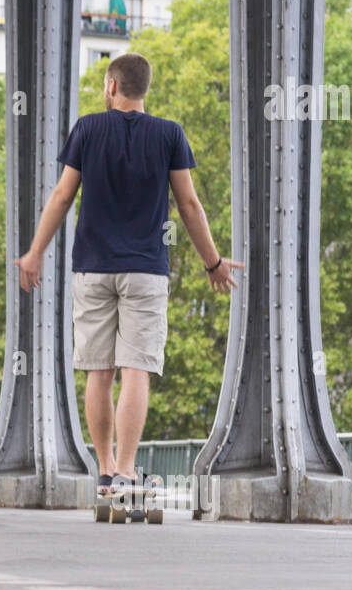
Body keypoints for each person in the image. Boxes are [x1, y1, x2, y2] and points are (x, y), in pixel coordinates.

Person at [13, 53, 241, 498]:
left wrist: (35, 253)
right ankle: (127, 470)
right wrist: (213, 262)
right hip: (146, 271)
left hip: (93, 269)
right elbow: (189, 206)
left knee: (99, 371)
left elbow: (62, 196)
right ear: (144, 90)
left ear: (112, 86)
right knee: (136, 369)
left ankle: (104, 470)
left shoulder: (87, 129)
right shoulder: (169, 134)